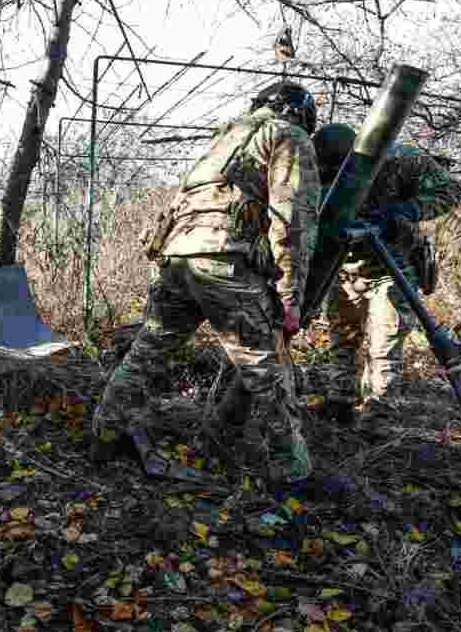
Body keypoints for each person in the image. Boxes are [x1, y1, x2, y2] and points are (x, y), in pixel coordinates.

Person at [93, 81, 322, 485]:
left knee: (148, 351)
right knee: (266, 369)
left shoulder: (226, 136)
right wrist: (291, 297)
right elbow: (294, 221)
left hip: (176, 257)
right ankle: (293, 474)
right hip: (224, 261)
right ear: (298, 111)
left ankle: (105, 434)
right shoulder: (287, 134)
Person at [311, 123, 461, 423]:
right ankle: (339, 402)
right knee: (343, 337)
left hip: (391, 265)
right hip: (343, 265)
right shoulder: (311, 171)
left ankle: (379, 413)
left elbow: (451, 190)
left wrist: (406, 212)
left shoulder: (400, 159)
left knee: (386, 340)